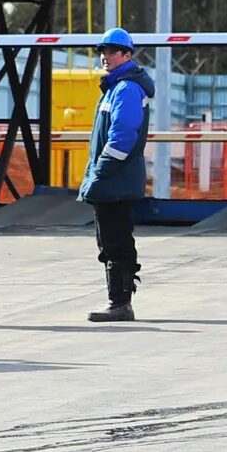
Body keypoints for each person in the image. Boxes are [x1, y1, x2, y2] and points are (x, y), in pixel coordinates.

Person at [79, 26, 154, 322]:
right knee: (112, 240)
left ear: (127, 54)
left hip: (116, 180)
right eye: (102, 51)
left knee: (115, 242)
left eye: (112, 51)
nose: (105, 56)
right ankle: (119, 300)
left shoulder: (125, 89)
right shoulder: (117, 87)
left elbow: (122, 136)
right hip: (116, 179)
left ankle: (120, 303)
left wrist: (101, 171)